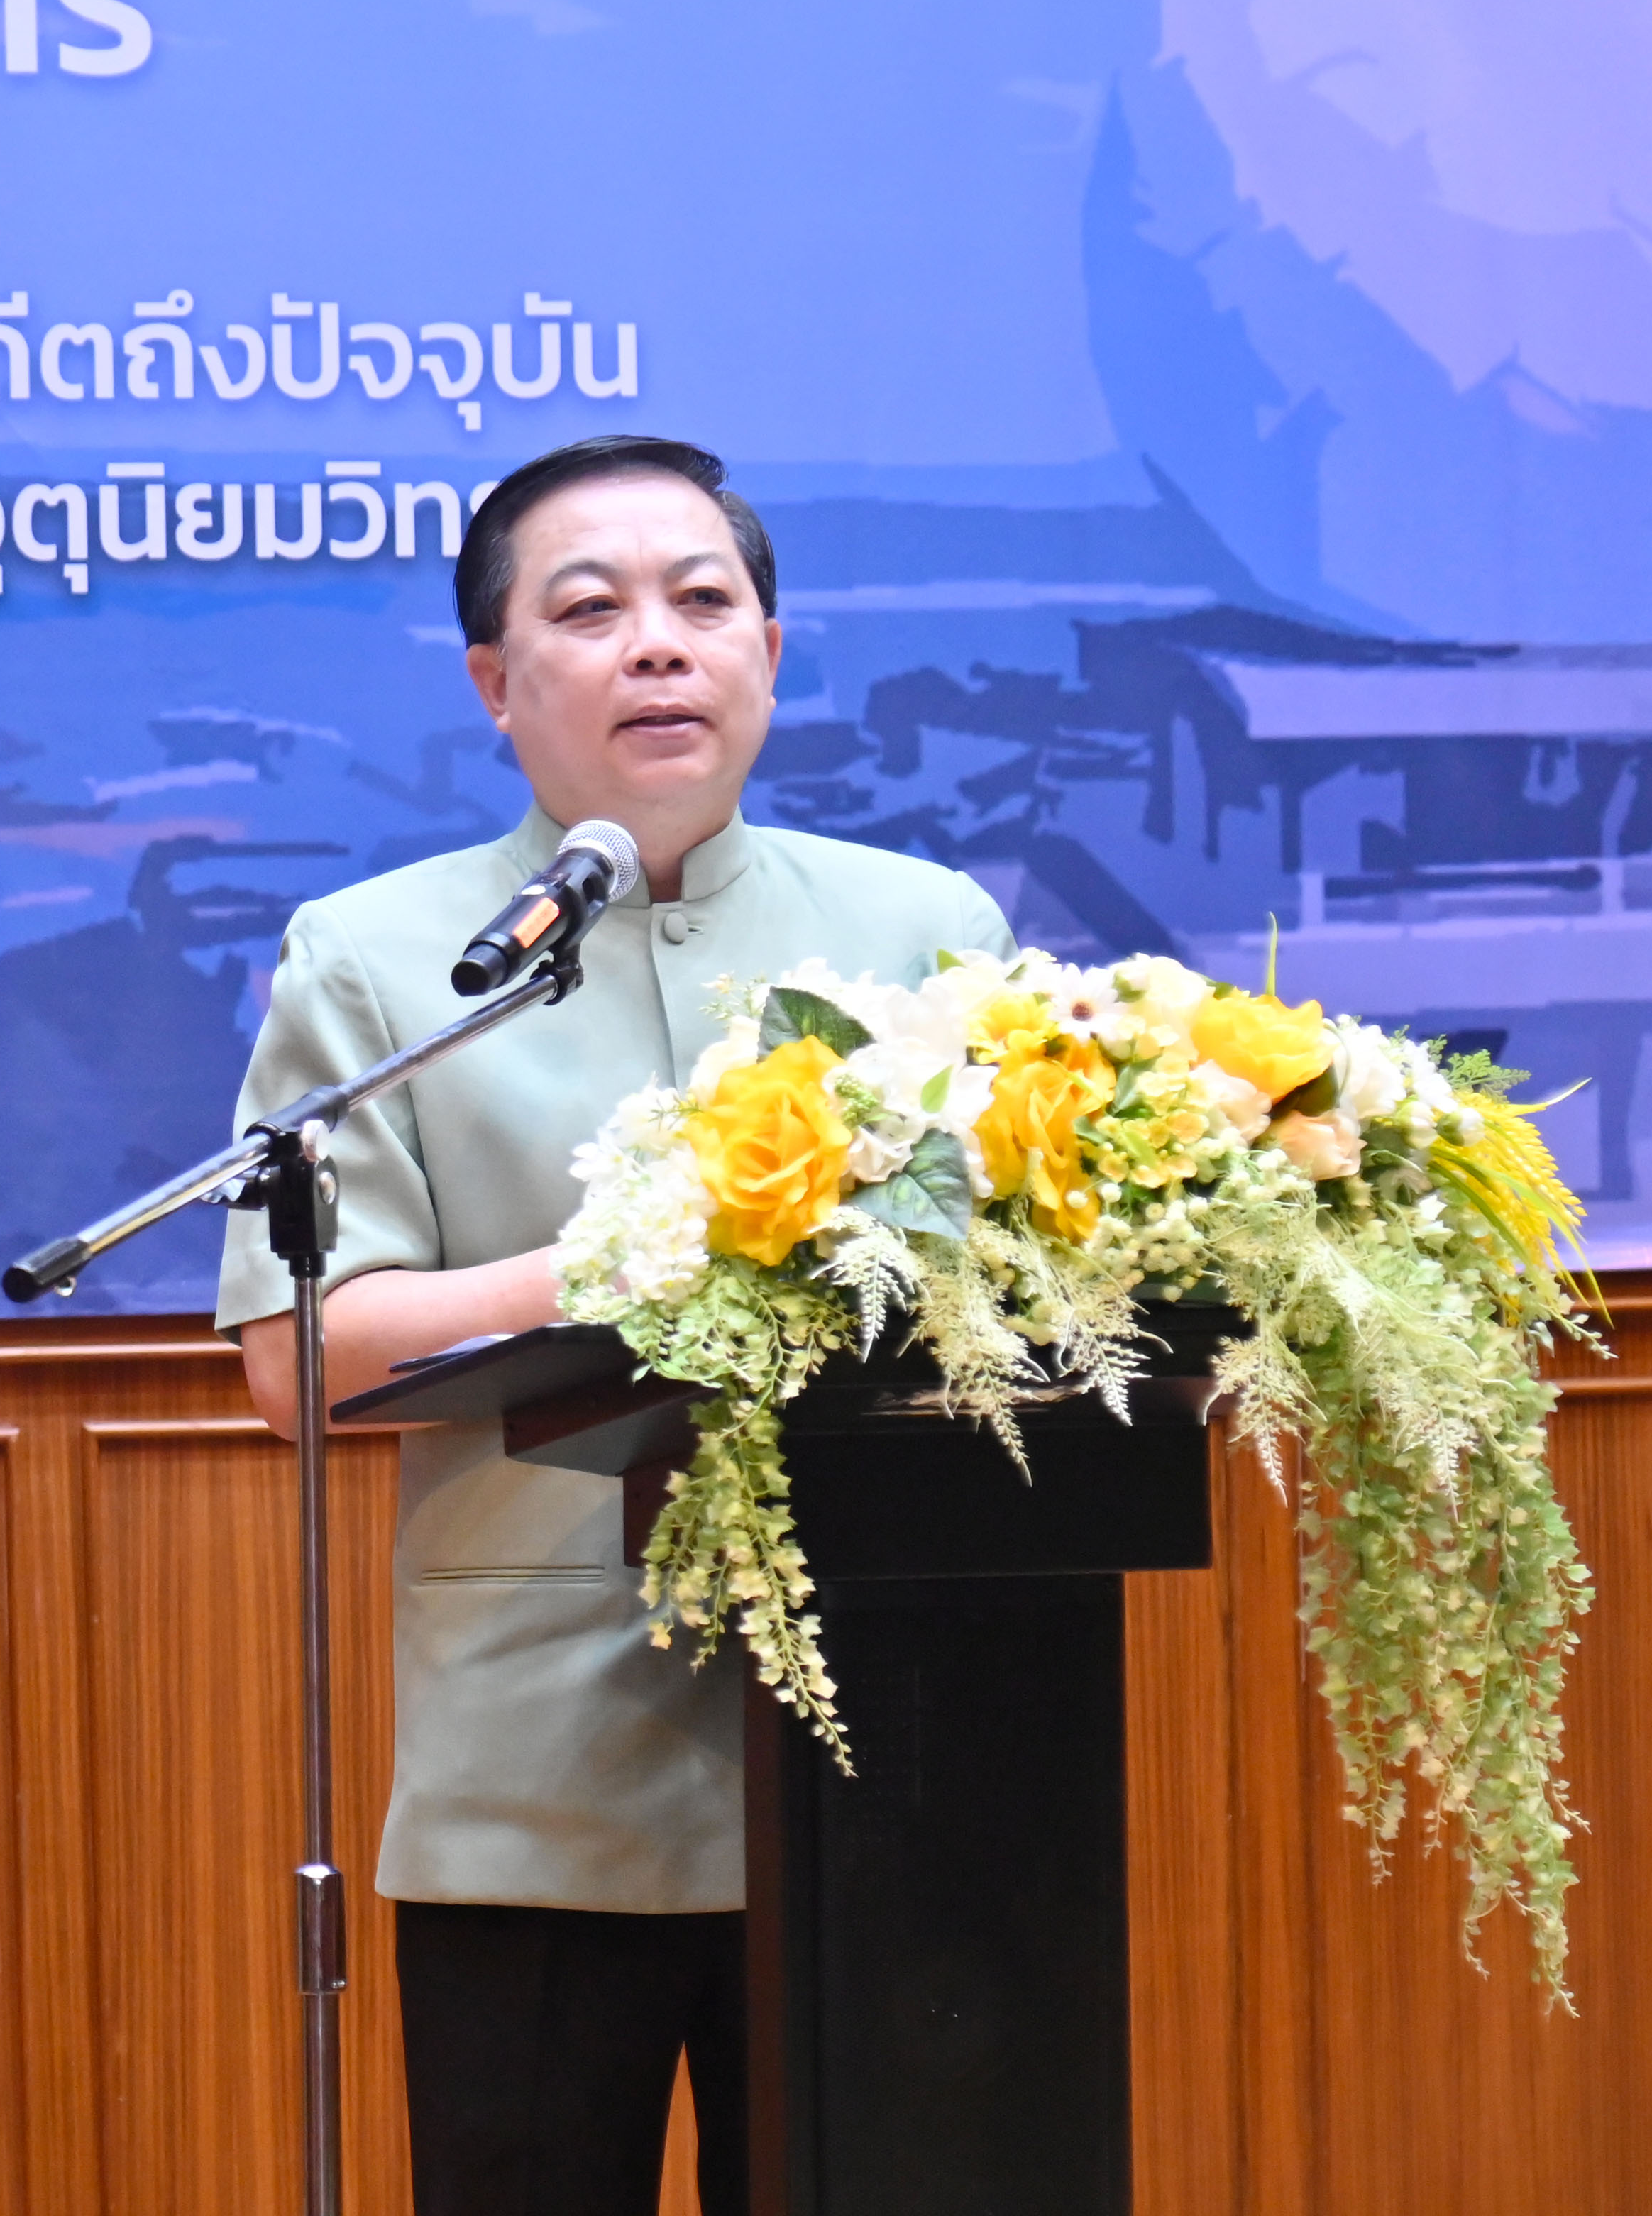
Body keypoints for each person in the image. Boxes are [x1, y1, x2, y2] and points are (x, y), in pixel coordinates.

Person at [219, 434, 1015, 2216]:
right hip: (542, 1777)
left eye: (703, 601)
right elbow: (296, 1357)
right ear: (495, 683)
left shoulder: (925, 932)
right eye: (590, 611)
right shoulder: (385, 960)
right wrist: (619, 1260)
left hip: (891, 1758)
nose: (660, 643)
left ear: (769, 655)